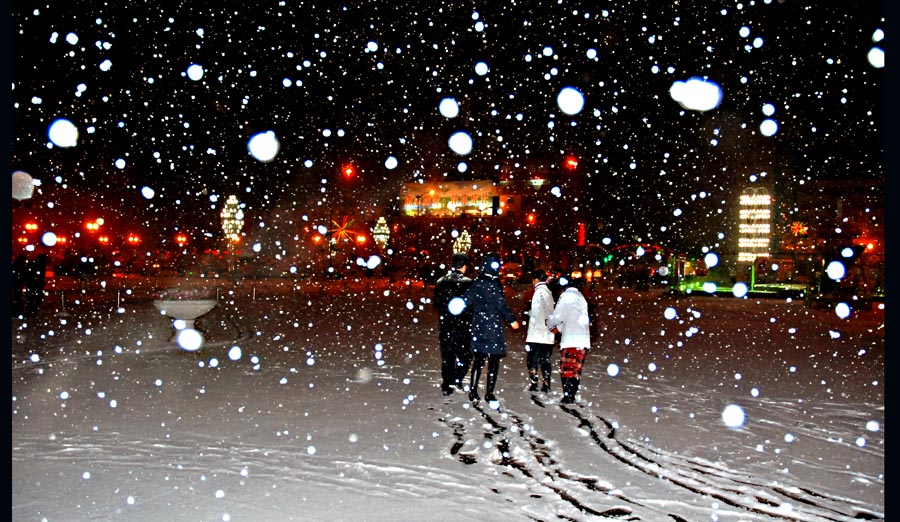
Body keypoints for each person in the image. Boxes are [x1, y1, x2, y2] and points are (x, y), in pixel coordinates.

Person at [465, 252, 520, 403]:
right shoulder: (494, 283)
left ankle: (473, 390)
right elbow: (500, 304)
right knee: (493, 361)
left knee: (479, 359)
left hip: (479, 326)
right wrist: (511, 319)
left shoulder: (477, 282)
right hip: (493, 327)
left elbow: (467, 301)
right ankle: (489, 392)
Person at [433, 252, 474, 396]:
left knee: (447, 357)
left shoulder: (441, 281)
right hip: (463, 326)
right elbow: (472, 305)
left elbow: (436, 303)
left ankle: (447, 384)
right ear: (463, 265)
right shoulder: (468, 283)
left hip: (446, 325)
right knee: (465, 355)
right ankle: (457, 379)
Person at [547, 275, 591, 404]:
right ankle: (572, 393)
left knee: (566, 368)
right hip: (583, 339)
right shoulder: (581, 298)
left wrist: (550, 324)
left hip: (571, 338)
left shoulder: (566, 297)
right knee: (576, 368)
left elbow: (557, 318)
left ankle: (568, 395)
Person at [523, 269, 556, 392]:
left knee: (532, 359)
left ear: (536, 279)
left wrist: (531, 315)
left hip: (538, 333)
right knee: (544, 360)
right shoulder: (547, 292)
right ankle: (546, 384)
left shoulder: (540, 292)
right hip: (546, 334)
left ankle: (534, 382)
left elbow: (542, 311)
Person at [24, 253, 49, 318]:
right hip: (35, 285)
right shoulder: (39, 266)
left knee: (32, 298)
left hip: (33, 284)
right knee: (34, 298)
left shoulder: (35, 265)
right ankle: (31, 311)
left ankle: (31, 311)